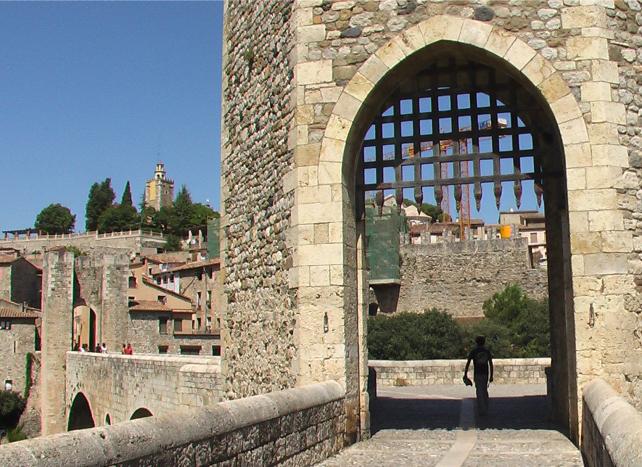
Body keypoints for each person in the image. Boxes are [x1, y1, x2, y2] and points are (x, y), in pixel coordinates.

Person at [463, 335, 494, 415]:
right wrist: (491, 375)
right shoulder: (487, 351)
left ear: (476, 342)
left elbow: (468, 363)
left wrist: (465, 374)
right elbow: (490, 364)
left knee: (479, 391)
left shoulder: (474, 351)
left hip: (477, 373)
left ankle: (481, 408)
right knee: (484, 390)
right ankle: (485, 407)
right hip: (485, 373)